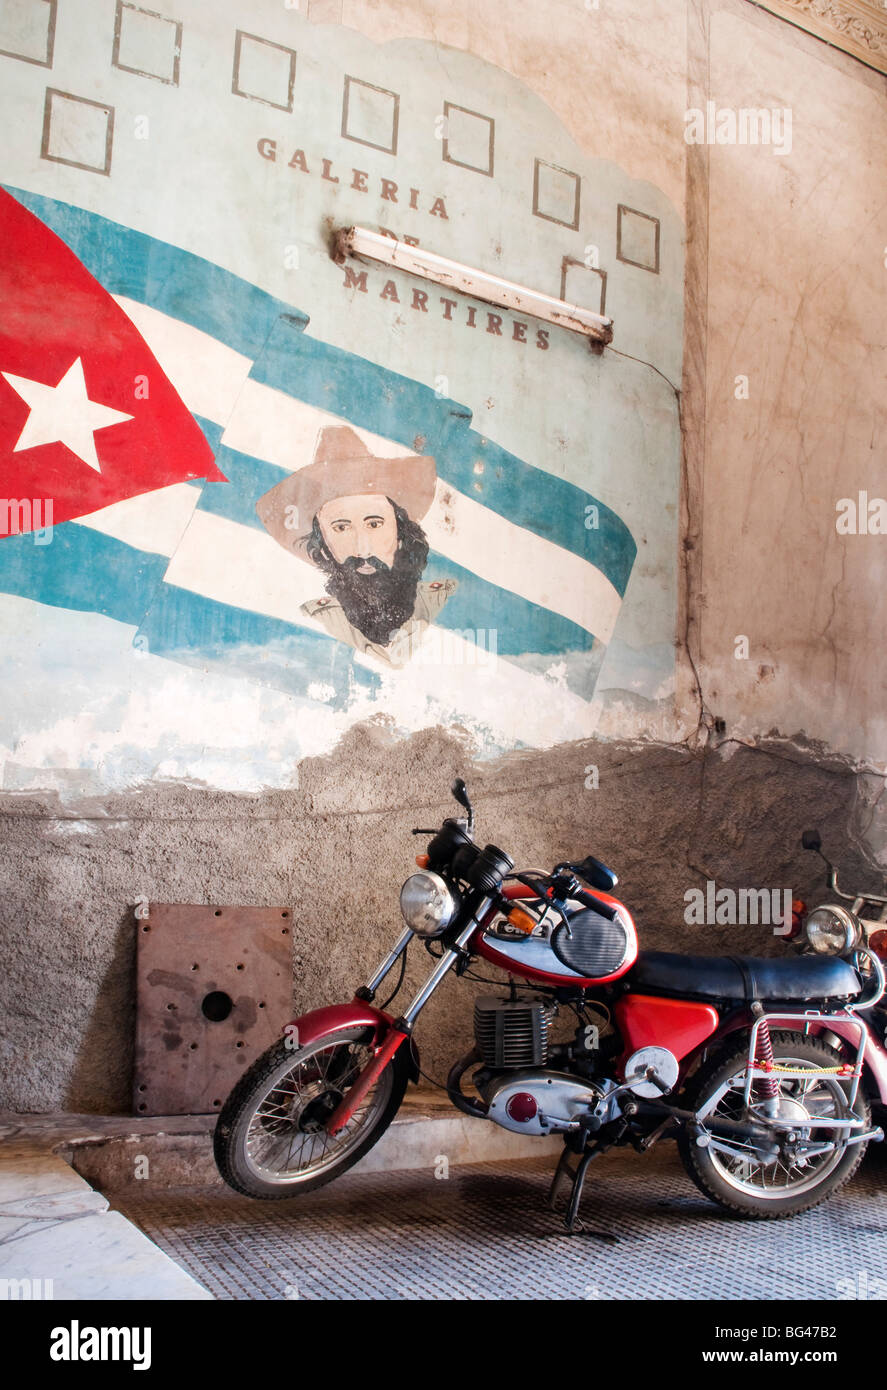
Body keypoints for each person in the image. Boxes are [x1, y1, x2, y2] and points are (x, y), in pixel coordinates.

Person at [256, 425, 457, 667]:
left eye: (374, 524)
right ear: (324, 547)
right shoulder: (316, 620)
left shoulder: (445, 600)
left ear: (401, 533)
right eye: (341, 528)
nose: (362, 550)